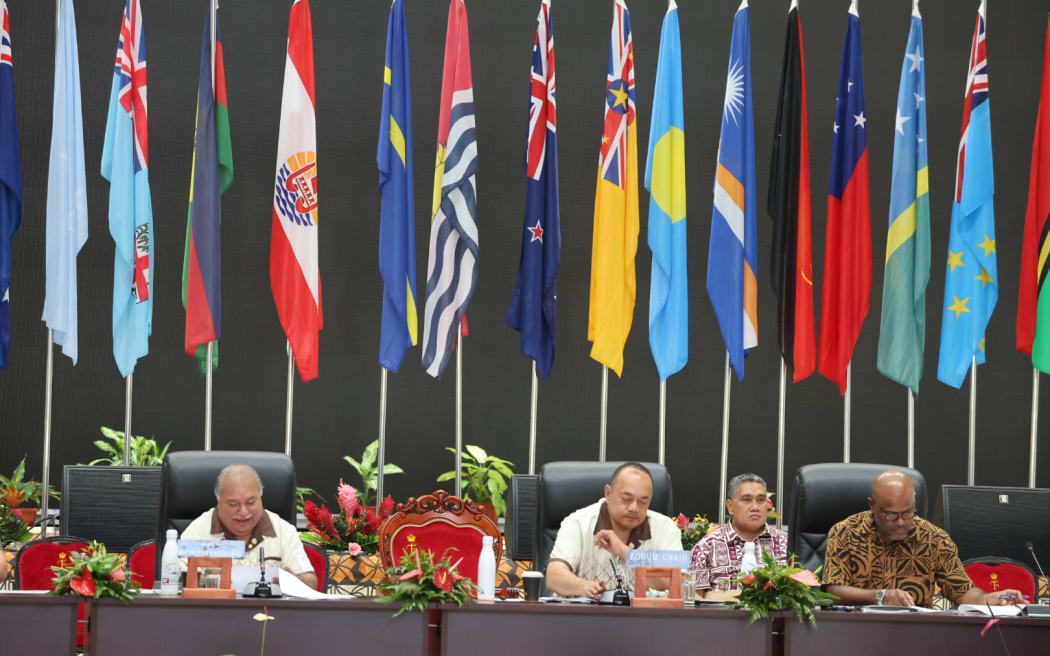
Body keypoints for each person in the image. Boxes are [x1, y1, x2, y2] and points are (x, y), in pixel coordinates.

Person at [822, 470, 1023, 608]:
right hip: (857, 631)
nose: (901, 522)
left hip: (915, 634)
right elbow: (832, 590)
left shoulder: (935, 539)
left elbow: (962, 592)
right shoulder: (845, 532)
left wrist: (989, 599)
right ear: (872, 505)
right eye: (890, 515)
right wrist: (880, 596)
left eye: (907, 513)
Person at [545, 462, 683, 599]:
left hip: (645, 618)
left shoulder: (666, 528)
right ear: (608, 493)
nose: (634, 508)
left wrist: (625, 553)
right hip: (585, 617)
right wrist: (584, 586)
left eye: (643, 501)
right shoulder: (578, 523)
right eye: (626, 499)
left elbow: (677, 584)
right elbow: (554, 576)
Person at [180, 464, 318, 590]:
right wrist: (212, 579)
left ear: (261, 497)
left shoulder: (284, 531)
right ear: (219, 501)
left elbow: (312, 582)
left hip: (270, 614)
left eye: (251, 502)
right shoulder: (197, 531)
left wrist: (293, 580)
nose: (244, 512)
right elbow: (176, 579)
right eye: (233, 504)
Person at [690, 473, 787, 593]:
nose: (755, 507)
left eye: (761, 500)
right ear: (730, 507)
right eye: (746, 500)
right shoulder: (707, 546)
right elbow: (695, 599)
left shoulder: (786, 543)